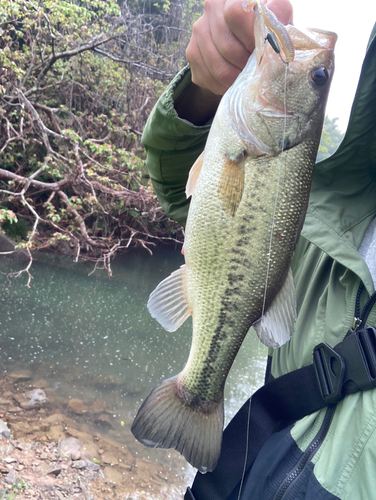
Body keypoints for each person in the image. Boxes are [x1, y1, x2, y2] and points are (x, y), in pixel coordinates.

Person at [141, 0, 376, 497]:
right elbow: (176, 190)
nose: (316, 63)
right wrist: (202, 92)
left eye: (316, 79)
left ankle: (198, 393)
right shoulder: (329, 212)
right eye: (319, 78)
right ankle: (198, 392)